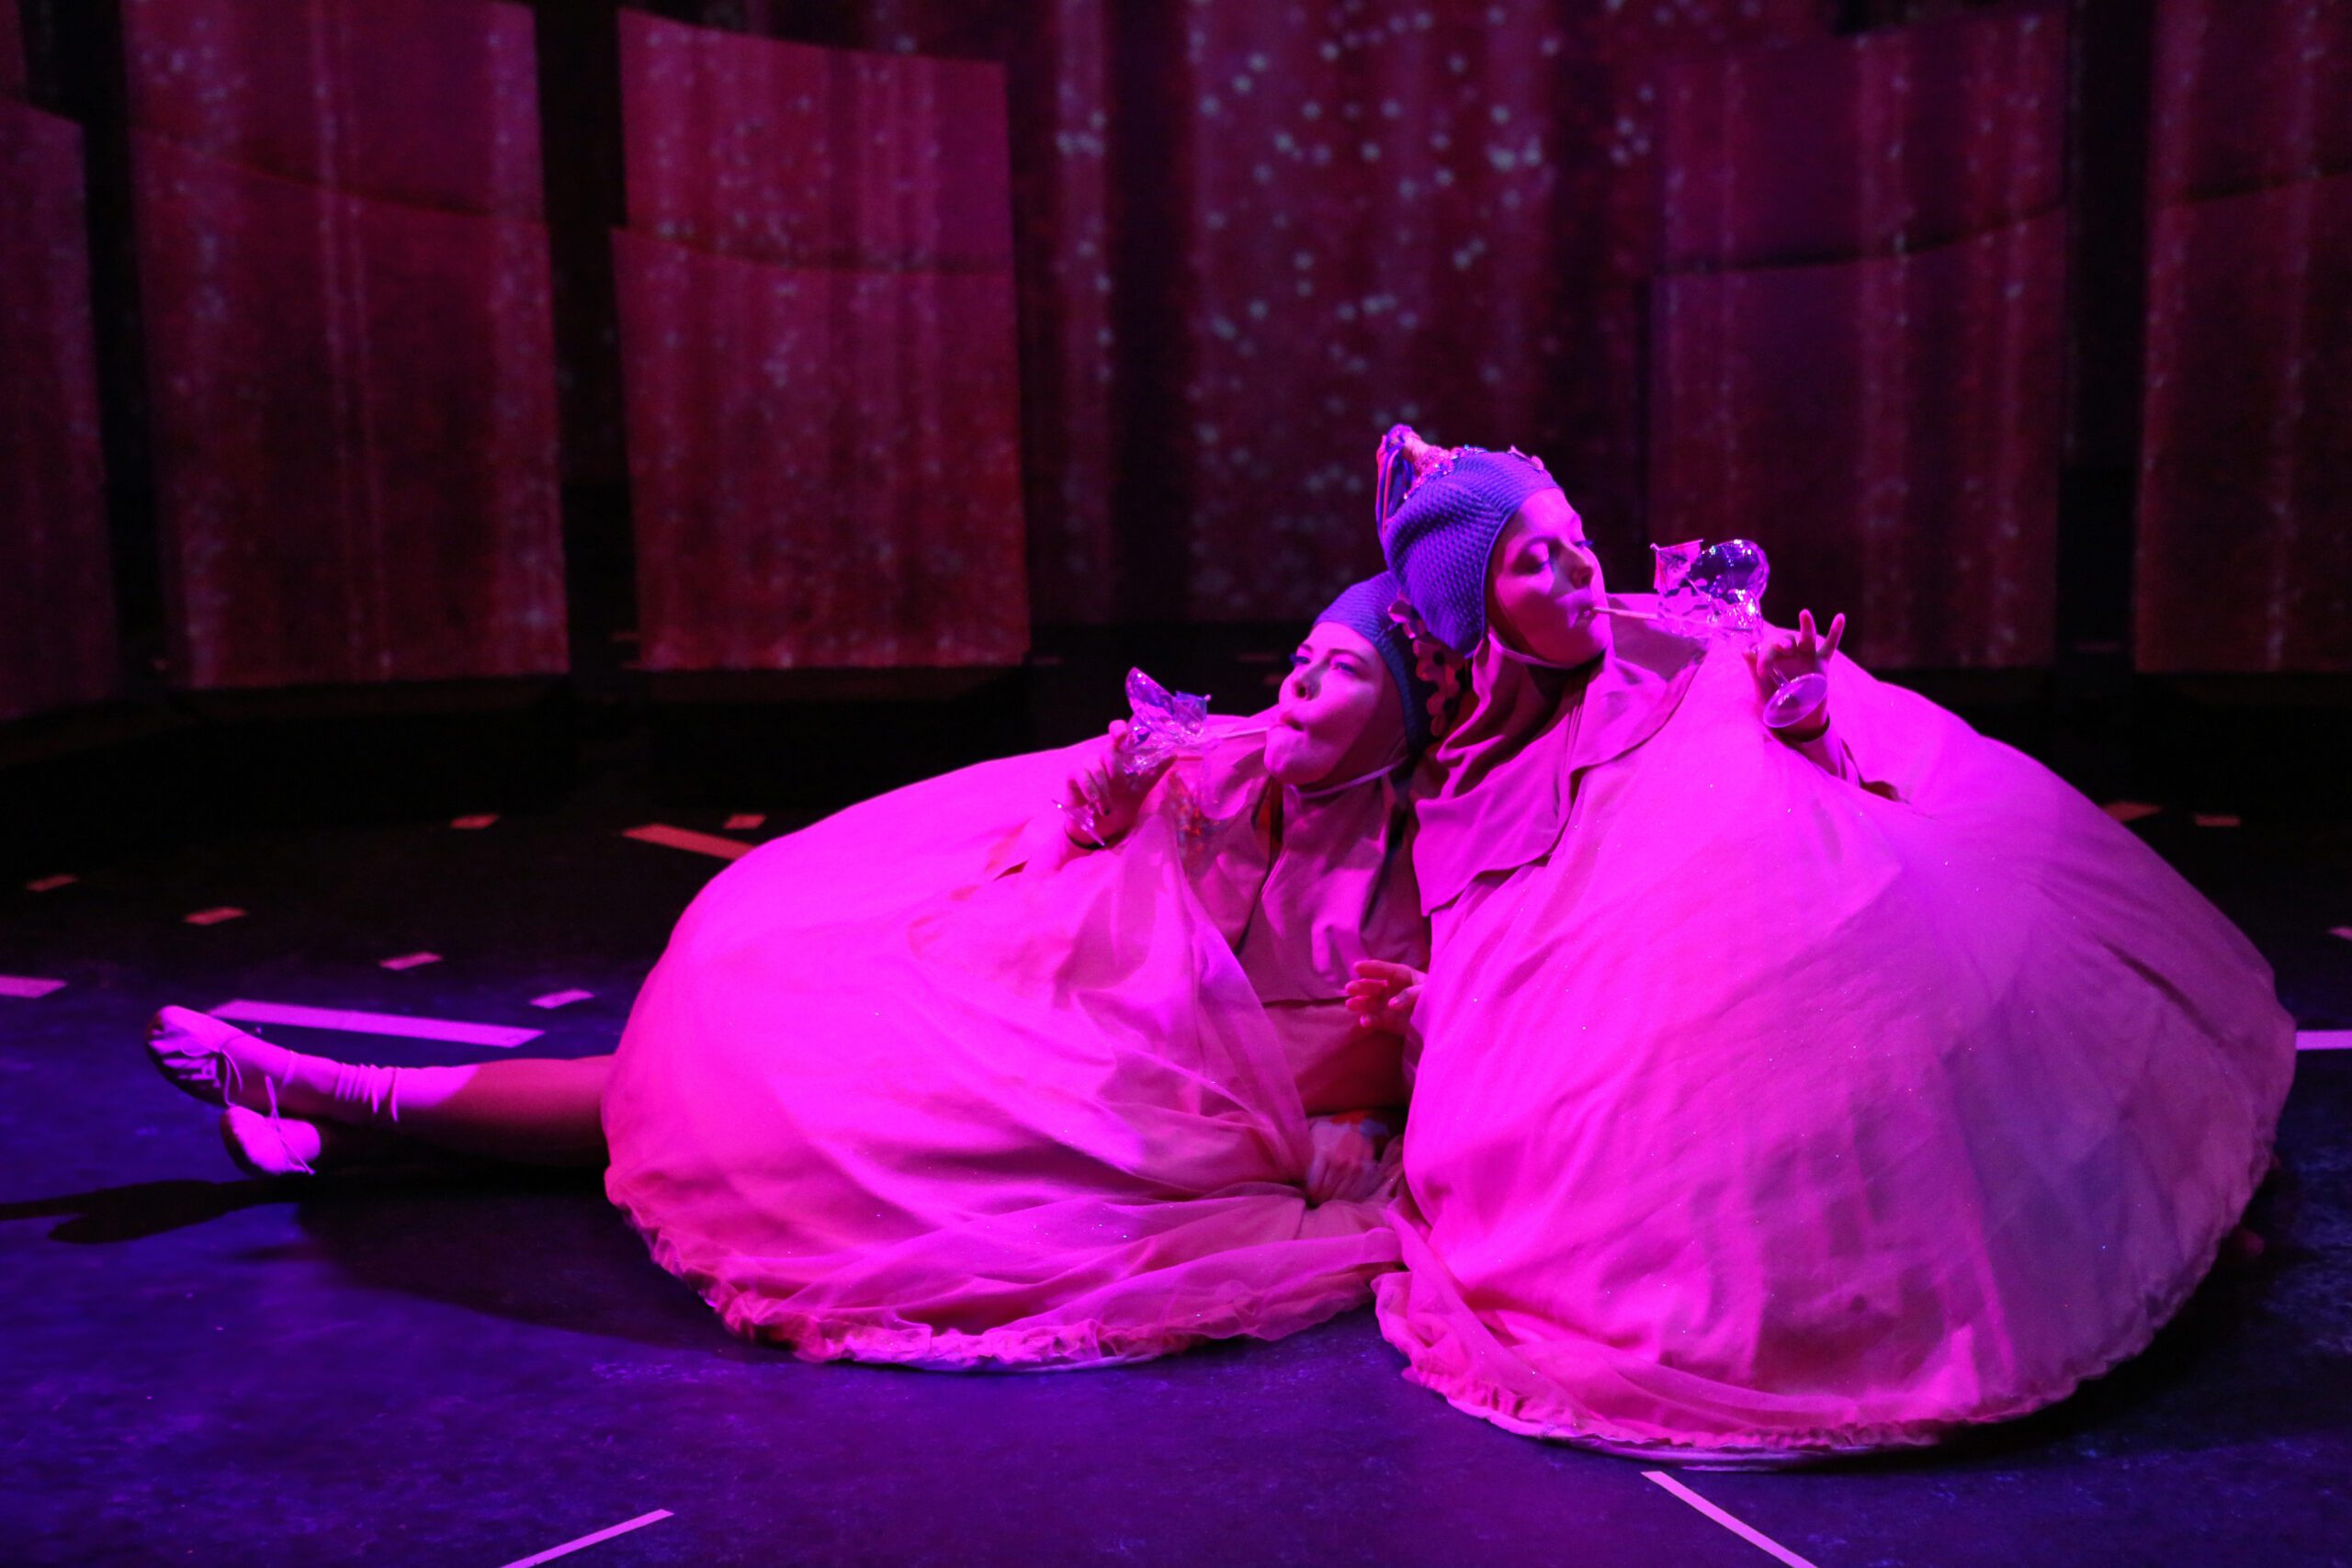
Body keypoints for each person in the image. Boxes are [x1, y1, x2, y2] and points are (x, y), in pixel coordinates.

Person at [145, 574, 1439, 1370]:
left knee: (768, 1119)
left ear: (1403, 712)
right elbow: (1062, 855)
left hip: (1164, 1109)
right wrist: (1106, 794)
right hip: (1067, 1017)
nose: (1302, 685)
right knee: (741, 1059)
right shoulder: (1226, 759)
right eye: (1304, 659)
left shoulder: (1416, 866)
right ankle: (329, 1095)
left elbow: (1376, 1051)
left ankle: (332, 1099)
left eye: (1343, 672)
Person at [1351, 425, 2296, 1463]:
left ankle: (2054, 1266)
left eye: (1573, 540)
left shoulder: (1684, 641)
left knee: (1908, 971)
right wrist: (1439, 1008)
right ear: (1476, 609)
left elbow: (1843, 772)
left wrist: (1798, 709)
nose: (1575, 569)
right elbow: (1508, 941)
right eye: (1530, 561)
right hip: (1653, 1007)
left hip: (1796, 920)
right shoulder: (1481, 767)